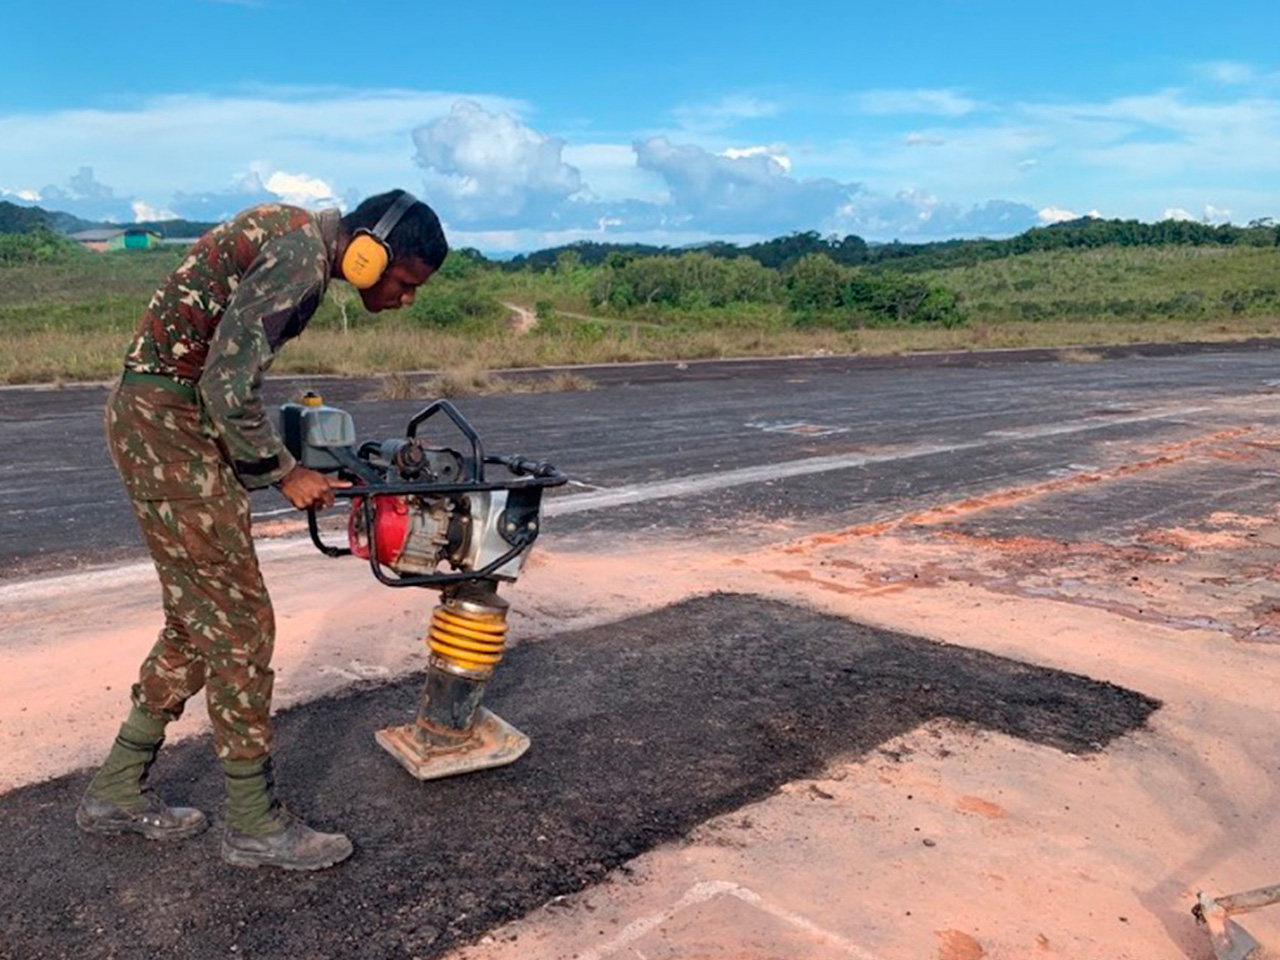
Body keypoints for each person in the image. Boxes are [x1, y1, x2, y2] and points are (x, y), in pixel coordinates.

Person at [77, 189, 448, 870]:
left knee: (200, 621)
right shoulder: (303, 256)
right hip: (169, 426)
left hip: (163, 420)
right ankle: (252, 824)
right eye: (404, 281)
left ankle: (116, 789)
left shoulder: (295, 239)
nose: (405, 299)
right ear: (368, 251)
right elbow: (224, 382)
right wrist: (283, 473)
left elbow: (223, 372)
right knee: (243, 625)